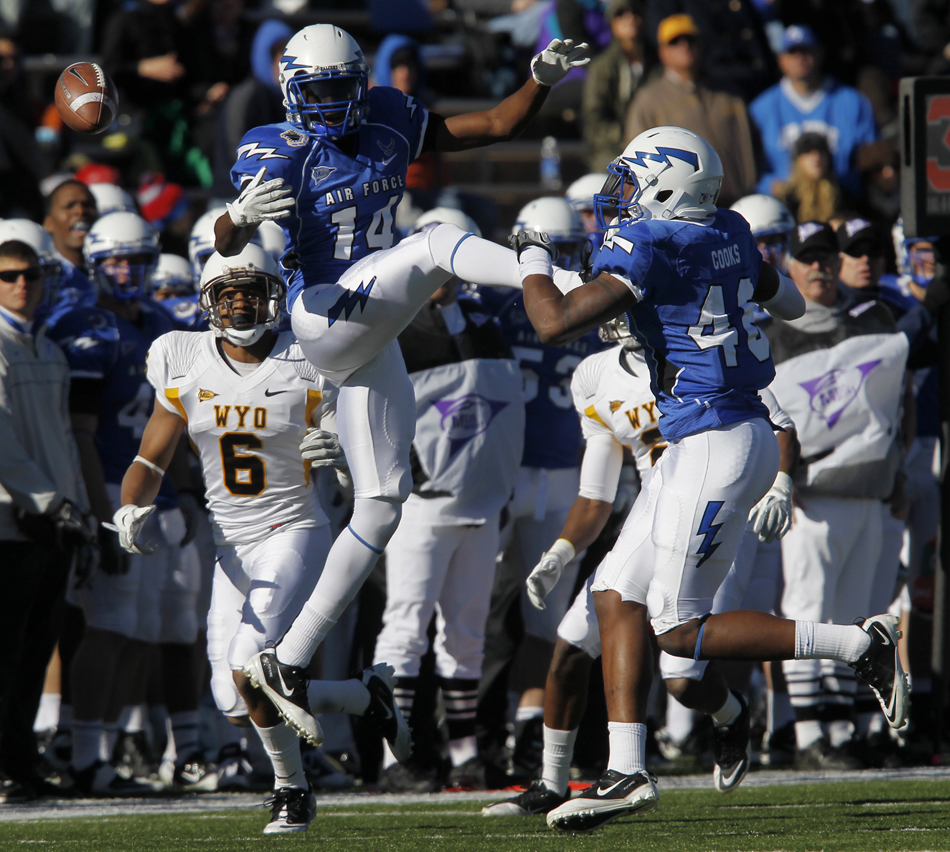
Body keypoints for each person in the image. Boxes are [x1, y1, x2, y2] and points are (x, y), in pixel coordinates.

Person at [508, 125, 908, 832]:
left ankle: (859, 646)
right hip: (714, 433)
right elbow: (786, 304)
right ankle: (627, 768)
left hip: (714, 438)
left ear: (668, 187)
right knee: (612, 592)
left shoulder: (656, 242)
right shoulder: (725, 226)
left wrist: (532, 258)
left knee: (678, 631)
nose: (622, 196)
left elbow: (554, 321)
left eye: (636, 180)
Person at [211, 24, 592, 741]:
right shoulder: (277, 147)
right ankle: (573, 287)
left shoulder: (387, 114)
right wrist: (234, 219)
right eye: (316, 92)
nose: (331, 105)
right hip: (323, 311)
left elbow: (495, 124)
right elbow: (225, 243)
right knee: (436, 242)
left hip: (374, 325)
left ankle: (288, 660)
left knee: (384, 502)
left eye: (342, 89)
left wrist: (541, 79)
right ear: (291, 91)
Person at [112, 244, 409, 832]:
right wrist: (129, 508)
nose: (240, 303)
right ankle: (358, 695)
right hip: (230, 546)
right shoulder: (183, 359)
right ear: (209, 302)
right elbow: (151, 456)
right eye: (228, 294)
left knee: (250, 666)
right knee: (232, 696)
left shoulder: (309, 360)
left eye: (251, 292)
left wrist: (341, 456)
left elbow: (360, 452)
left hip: (293, 527)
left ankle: (291, 790)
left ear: (276, 295)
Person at [483, 316, 798, 817]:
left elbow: (777, 426)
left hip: (711, 510)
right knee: (569, 647)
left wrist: (780, 483)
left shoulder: (698, 350)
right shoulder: (593, 374)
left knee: (682, 677)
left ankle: (731, 713)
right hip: (650, 518)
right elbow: (595, 495)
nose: (614, 313)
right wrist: (560, 553)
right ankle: (552, 782)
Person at [46, 212, 202, 795]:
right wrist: (96, 513)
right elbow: (82, 433)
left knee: (140, 629)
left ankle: (105, 750)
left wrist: (184, 490)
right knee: (109, 625)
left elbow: (177, 420)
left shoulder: (163, 324)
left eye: (136, 260)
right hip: (113, 486)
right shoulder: (87, 327)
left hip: (156, 490)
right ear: (94, 266)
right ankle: (85, 754)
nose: (126, 272)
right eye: (114, 261)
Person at [372, 210, 524, 792]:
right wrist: (403, 473)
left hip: (480, 504)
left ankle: (464, 753)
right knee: (404, 629)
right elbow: (365, 411)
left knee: (466, 635)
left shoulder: (486, 325)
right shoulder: (392, 325)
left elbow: (500, 414)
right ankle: (396, 757)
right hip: (421, 506)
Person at [763, 221, 910, 769]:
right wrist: (779, 482)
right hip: (812, 494)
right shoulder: (770, 332)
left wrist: (895, 476)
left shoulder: (871, 321)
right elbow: (764, 417)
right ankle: (808, 737)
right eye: (810, 258)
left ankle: (846, 731)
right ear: (790, 268)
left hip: (870, 492)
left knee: (857, 617)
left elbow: (897, 404)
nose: (822, 266)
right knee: (807, 613)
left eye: (827, 256)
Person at [0, 240, 94, 801]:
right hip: (11, 523)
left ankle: (18, 760)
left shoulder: (50, 350)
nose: (21, 285)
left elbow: (62, 441)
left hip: (54, 522)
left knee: (37, 650)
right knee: (4, 652)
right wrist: (41, 500)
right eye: (9, 276)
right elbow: (3, 442)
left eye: (31, 275)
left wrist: (75, 508)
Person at [623, 14, 756, 207]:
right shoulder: (648, 100)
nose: (684, 46)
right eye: (675, 41)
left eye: (690, 39)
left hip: (739, 205)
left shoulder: (729, 94)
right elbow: (635, 161)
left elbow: (754, 148)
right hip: (683, 210)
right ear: (662, 52)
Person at [749, 25, 877, 199]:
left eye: (806, 50)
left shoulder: (852, 102)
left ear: (820, 53)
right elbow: (750, 169)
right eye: (792, 52)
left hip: (842, 201)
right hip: (784, 206)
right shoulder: (761, 108)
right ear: (780, 59)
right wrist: (774, 186)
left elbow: (872, 158)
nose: (799, 58)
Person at [582, 0, 646, 171]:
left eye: (634, 12)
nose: (629, 18)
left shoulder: (656, 63)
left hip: (652, 146)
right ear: (611, 23)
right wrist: (627, 136)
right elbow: (594, 119)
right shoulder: (602, 67)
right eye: (620, 14)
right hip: (614, 150)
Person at [775, 133, 843, 225]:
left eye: (821, 151)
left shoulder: (841, 197)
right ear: (797, 160)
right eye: (808, 151)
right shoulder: (787, 200)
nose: (816, 157)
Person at [44, 179, 98, 278]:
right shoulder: (42, 280)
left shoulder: (111, 275)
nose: (80, 211)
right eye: (69, 206)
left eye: (87, 205)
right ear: (49, 223)